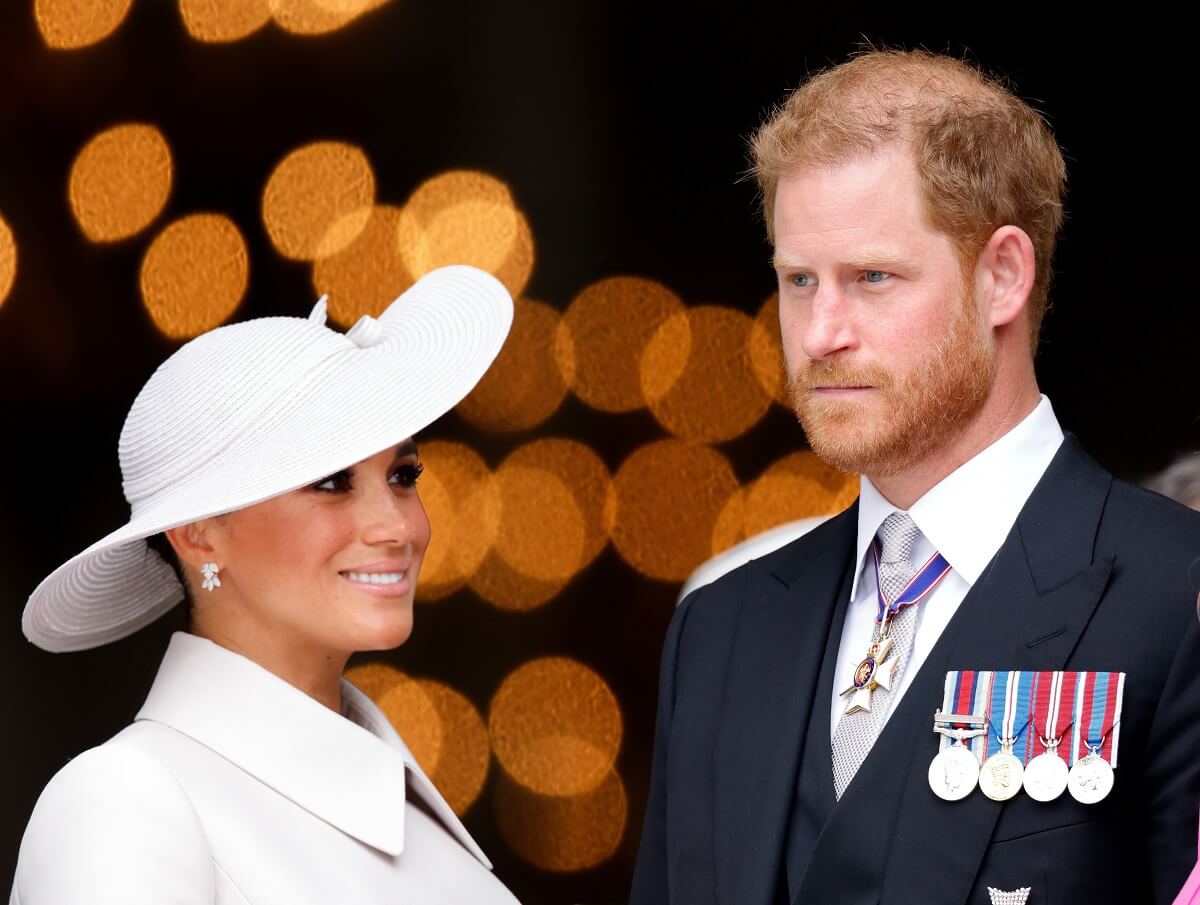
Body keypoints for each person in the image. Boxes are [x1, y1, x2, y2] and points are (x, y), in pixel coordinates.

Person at [630, 50, 1200, 905]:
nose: (820, 333)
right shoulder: (719, 630)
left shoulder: (1175, 592)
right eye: (798, 281)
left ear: (1002, 275)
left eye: (872, 278)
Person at [10, 265, 522, 904]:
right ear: (198, 534)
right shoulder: (125, 800)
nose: (397, 526)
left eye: (402, 475)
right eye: (332, 482)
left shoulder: (403, 810)